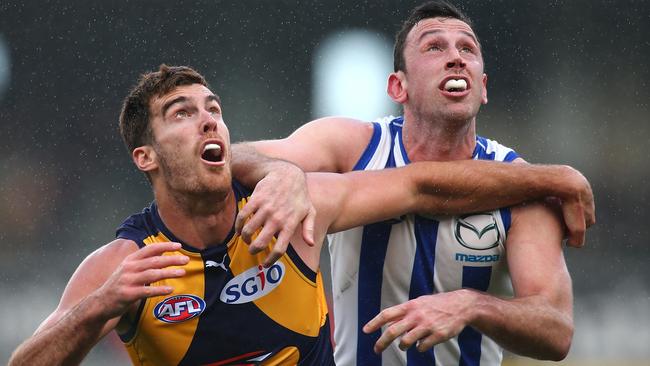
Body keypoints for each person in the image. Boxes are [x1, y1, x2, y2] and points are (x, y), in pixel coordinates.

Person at [7, 65, 592, 366]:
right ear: (146, 157)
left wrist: (553, 176)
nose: (209, 120)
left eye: (214, 109)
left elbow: (420, 186)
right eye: (182, 114)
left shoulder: (293, 211)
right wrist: (98, 308)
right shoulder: (124, 265)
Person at [230, 1, 596, 365]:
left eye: (467, 48)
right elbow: (234, 158)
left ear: (483, 88)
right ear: (397, 87)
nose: (456, 58)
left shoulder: (523, 186)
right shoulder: (353, 146)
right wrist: (283, 171)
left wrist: (471, 305)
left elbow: (556, 329)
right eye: (434, 47)